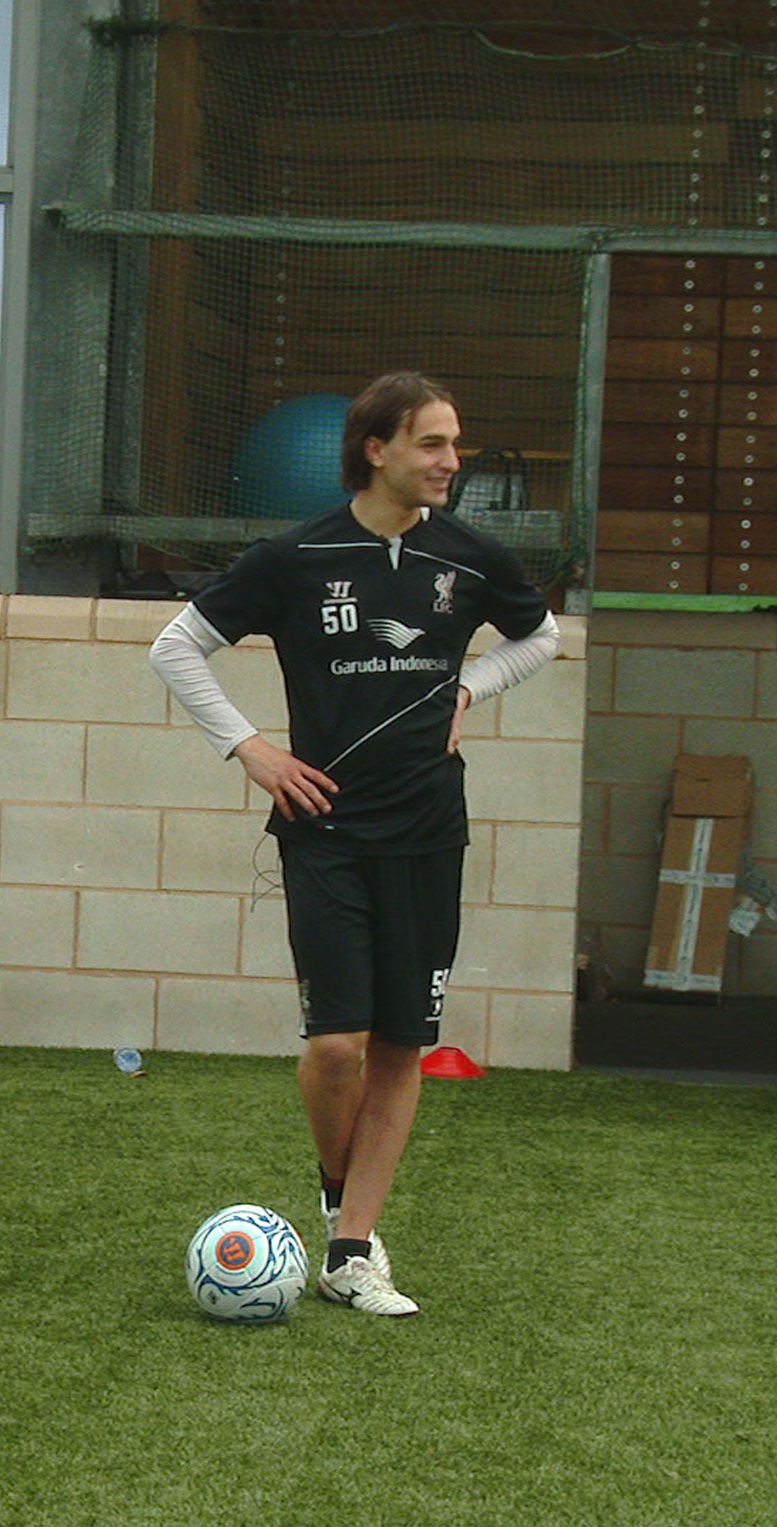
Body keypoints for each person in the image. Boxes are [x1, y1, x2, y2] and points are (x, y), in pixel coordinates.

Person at [149, 372, 559, 1316]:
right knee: (337, 1045)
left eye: (454, 444)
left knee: (401, 1042)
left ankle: (350, 1250)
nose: (452, 463)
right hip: (323, 827)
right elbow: (176, 646)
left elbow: (541, 638)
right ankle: (345, 1207)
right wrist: (249, 747)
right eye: (433, 444)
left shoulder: (469, 558)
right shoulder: (295, 556)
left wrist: (470, 688)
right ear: (377, 449)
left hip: (427, 829)